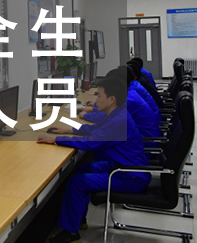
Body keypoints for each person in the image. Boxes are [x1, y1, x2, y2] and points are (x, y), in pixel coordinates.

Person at [37, 78, 151, 243]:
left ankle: (71, 234)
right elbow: (95, 129)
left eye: (99, 96)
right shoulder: (117, 113)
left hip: (130, 176)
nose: (96, 100)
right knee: (82, 169)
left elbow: (89, 142)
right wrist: (68, 130)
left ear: (111, 99)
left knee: (78, 182)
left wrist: (56, 139)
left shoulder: (118, 121)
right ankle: (78, 219)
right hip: (121, 168)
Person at [79, 67, 161, 140]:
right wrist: (93, 109)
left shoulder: (129, 100)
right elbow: (112, 112)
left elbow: (105, 118)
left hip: (145, 141)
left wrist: (86, 115)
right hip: (142, 135)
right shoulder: (130, 92)